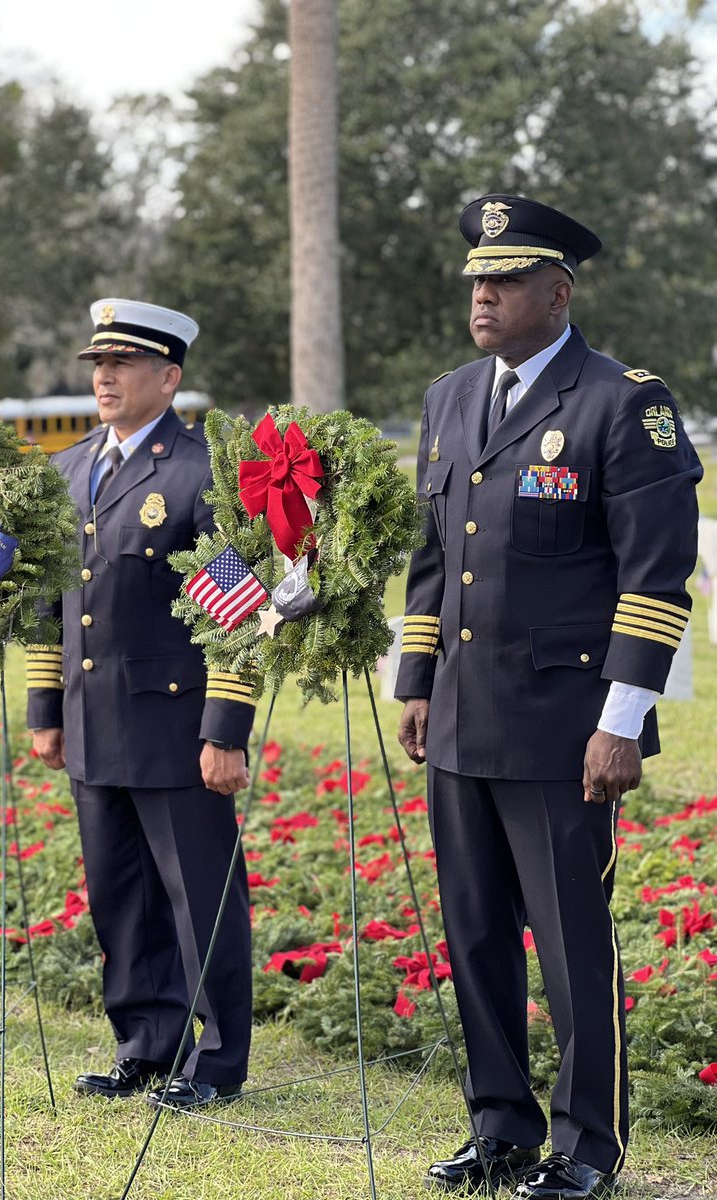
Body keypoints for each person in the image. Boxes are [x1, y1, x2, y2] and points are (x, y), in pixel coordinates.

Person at [396, 196, 701, 1199]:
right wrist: (415, 683)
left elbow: (656, 580)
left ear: (557, 292)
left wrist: (622, 724)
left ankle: (588, 1146)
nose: (483, 294)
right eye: (477, 278)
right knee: (474, 933)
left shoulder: (623, 403)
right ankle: (499, 1128)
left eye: (507, 278)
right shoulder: (448, 399)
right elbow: (435, 563)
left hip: (566, 730)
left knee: (572, 942)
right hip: (460, 719)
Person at [27, 299, 256, 1109]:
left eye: (122, 364)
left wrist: (225, 729)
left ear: (170, 376)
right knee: (120, 899)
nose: (105, 377)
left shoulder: (199, 474)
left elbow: (239, 610)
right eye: (97, 364)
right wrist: (45, 710)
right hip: (93, 723)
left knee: (201, 900)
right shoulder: (66, 469)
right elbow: (52, 603)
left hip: (176, 729)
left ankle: (218, 1064)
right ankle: (146, 1046)